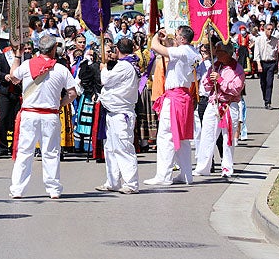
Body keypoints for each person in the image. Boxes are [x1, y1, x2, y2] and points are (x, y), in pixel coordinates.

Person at [7, 35, 78, 199]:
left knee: (25, 152)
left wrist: (17, 55)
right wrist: (61, 104)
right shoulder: (61, 69)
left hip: (29, 114)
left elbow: (13, 77)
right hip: (50, 115)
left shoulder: (26, 65)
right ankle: (53, 189)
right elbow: (72, 93)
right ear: (53, 50)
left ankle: (17, 189)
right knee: (51, 152)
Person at [144, 26, 200, 186]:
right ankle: (186, 174)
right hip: (183, 96)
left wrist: (155, 36)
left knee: (165, 136)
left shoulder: (182, 51)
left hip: (175, 97)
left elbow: (155, 47)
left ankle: (164, 175)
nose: (174, 38)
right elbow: (169, 49)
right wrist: (165, 40)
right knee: (182, 138)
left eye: (176, 36)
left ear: (182, 39)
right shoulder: (193, 52)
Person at [194, 41, 245, 179]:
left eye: (219, 51)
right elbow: (206, 85)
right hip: (213, 104)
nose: (216, 54)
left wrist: (220, 80)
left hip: (229, 105)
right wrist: (211, 81)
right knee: (207, 135)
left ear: (227, 53)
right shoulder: (215, 66)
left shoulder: (237, 68)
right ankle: (203, 167)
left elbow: (236, 88)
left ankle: (227, 167)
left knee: (227, 138)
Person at [95, 38, 140, 193]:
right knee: (110, 149)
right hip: (112, 112)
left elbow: (105, 79)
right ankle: (113, 181)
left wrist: (104, 67)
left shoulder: (125, 66)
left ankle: (131, 184)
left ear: (118, 50)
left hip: (122, 113)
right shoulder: (127, 64)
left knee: (123, 147)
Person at [253, 22, 279, 109]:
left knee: (270, 82)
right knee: (263, 83)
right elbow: (256, 53)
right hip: (262, 63)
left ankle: (268, 102)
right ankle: (265, 98)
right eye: (268, 29)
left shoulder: (275, 40)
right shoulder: (259, 39)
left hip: (271, 63)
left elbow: (276, 53)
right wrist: (259, 65)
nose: (270, 31)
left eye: (272, 29)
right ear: (264, 30)